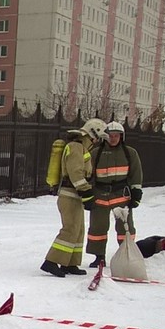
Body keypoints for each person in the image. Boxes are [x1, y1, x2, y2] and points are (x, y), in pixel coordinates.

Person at [40, 118, 105, 277]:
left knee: (78, 230)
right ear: (93, 133)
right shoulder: (76, 147)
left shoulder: (82, 148)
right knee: (69, 229)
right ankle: (51, 262)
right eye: (98, 137)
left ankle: (70, 263)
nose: (98, 141)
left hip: (75, 196)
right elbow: (75, 171)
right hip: (69, 195)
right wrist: (86, 191)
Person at [85, 120, 144, 267]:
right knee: (98, 227)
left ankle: (126, 253)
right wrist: (87, 194)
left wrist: (136, 193)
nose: (113, 138)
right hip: (100, 194)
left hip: (121, 195)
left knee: (125, 228)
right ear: (105, 136)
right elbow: (88, 174)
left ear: (121, 136)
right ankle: (99, 257)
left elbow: (136, 174)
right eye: (111, 135)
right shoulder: (95, 153)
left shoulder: (130, 153)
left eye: (117, 135)